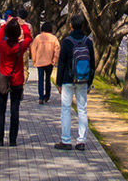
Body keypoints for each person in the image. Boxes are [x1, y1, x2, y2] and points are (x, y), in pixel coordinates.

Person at [55, 13, 96, 151]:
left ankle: (66, 140)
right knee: (82, 109)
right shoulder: (88, 42)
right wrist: (89, 81)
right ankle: (81, 141)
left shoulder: (67, 42)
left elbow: (61, 63)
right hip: (83, 80)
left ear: (71, 25)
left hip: (67, 79)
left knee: (66, 109)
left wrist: (59, 82)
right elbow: (92, 63)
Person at [0, 12, 33, 146]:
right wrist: (23, 25)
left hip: (3, 79)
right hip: (17, 81)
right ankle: (13, 140)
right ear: (17, 33)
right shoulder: (21, 47)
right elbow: (28, 37)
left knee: (1, 110)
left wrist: (4, 25)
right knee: (15, 110)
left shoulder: (2, 46)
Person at [30, 21, 60, 103]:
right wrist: (54, 60)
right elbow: (57, 50)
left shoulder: (38, 37)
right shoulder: (54, 38)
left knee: (40, 80)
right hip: (49, 62)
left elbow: (33, 49)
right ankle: (47, 96)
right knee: (47, 79)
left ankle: (40, 97)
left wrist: (34, 60)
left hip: (39, 62)